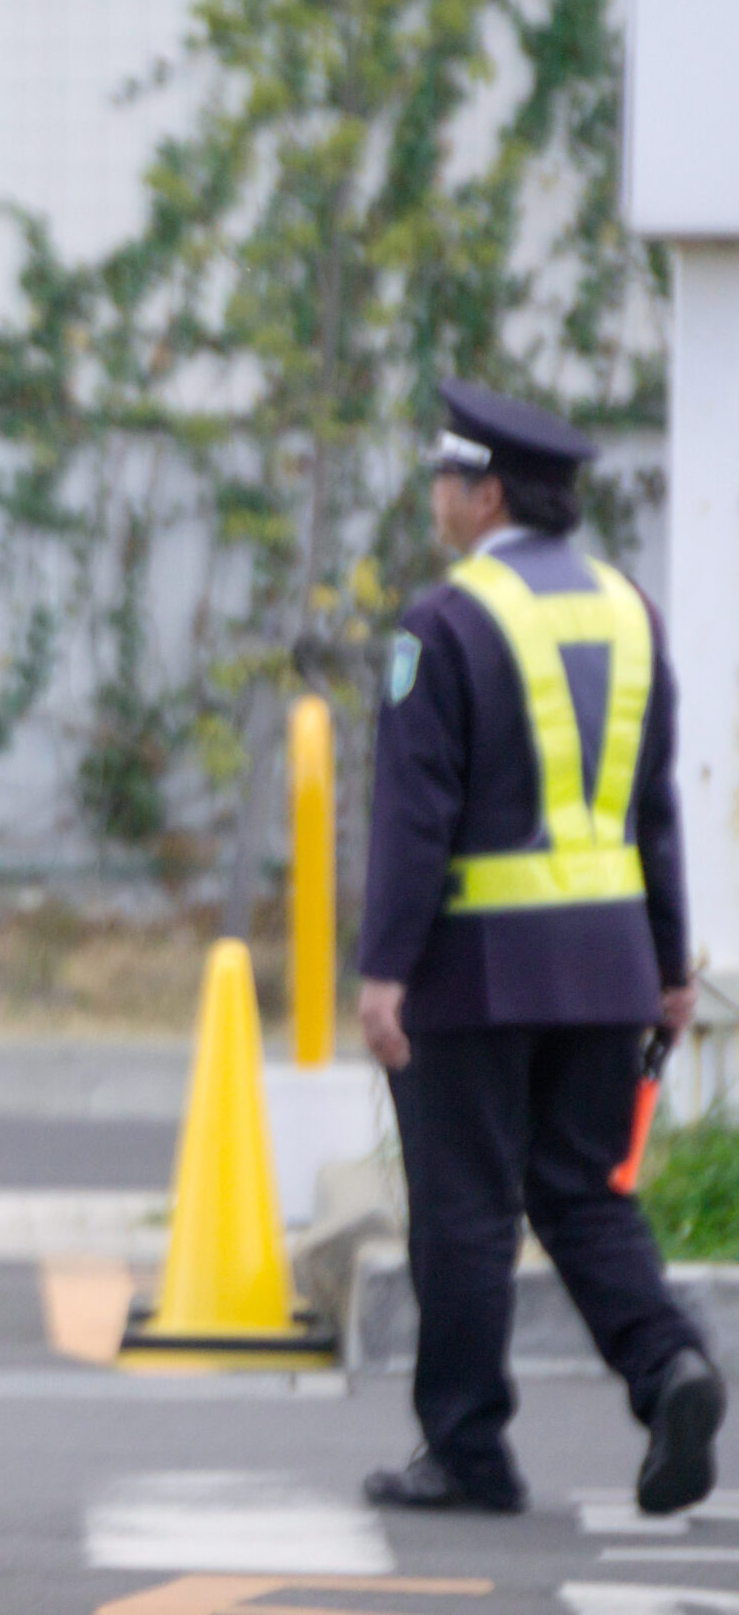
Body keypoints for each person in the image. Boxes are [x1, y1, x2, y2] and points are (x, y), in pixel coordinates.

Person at [356, 378, 723, 1518]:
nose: (435, 497)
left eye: (444, 479)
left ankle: (467, 1454)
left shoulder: (444, 623)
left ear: (488, 492)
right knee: (582, 1192)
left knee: (464, 1210)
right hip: (609, 967)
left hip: (474, 971)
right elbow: (650, 807)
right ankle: (667, 1366)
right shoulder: (630, 612)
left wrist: (383, 971)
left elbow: (416, 817)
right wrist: (668, 967)